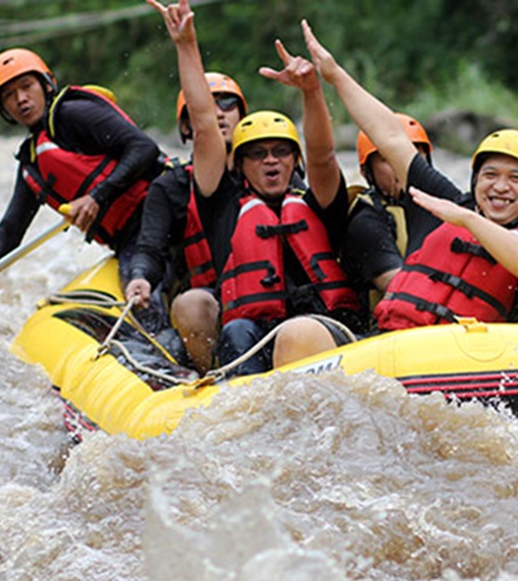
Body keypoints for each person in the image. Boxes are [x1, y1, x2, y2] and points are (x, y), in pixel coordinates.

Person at [147, 0, 363, 375]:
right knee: (238, 330)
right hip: (253, 334)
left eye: (281, 152)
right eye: (258, 154)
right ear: (241, 165)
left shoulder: (318, 201)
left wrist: (311, 91)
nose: (270, 161)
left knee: (296, 333)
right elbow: (204, 127)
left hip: (323, 333)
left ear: (295, 161)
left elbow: (324, 156)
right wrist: (186, 45)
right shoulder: (223, 207)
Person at [302, 21, 518, 331]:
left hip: (467, 359)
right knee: (301, 331)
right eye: (490, 174)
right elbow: (391, 137)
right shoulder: (444, 201)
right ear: (475, 180)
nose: (500, 186)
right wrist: (333, 75)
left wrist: (467, 219)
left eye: (516, 178)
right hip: (392, 344)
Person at [0, 48, 168, 329]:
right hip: (128, 235)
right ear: (3, 108)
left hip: (161, 205)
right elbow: (12, 224)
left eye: (26, 87)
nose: (20, 99)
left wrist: (97, 196)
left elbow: (144, 148)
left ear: (45, 85)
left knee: (141, 289)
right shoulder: (32, 163)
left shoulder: (74, 113)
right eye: (9, 95)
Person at [123, 72, 247, 373]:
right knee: (192, 305)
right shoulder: (170, 188)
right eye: (205, 107)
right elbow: (150, 248)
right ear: (186, 126)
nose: (217, 113)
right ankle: (214, 374)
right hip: (206, 303)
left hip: (266, 295)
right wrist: (140, 275)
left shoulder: (273, 172)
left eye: (228, 104)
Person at [342, 112, 436, 312]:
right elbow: (398, 288)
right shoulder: (366, 220)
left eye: (413, 157)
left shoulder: (445, 206)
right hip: (384, 331)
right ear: (367, 171)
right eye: (387, 159)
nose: (401, 166)